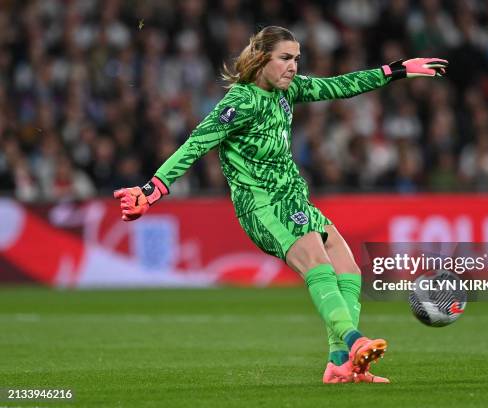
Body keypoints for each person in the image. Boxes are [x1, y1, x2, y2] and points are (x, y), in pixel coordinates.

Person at [113, 26, 447, 384]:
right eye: (285, 58)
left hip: (294, 198)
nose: (293, 67)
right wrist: (150, 192)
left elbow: (339, 85)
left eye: (296, 59)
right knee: (318, 265)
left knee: (348, 268)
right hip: (261, 206)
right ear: (261, 59)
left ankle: (339, 364)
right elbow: (195, 145)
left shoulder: (289, 91)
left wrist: (395, 70)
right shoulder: (239, 102)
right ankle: (353, 342)